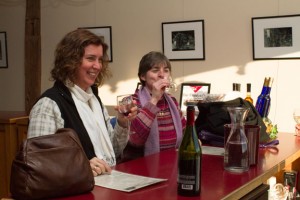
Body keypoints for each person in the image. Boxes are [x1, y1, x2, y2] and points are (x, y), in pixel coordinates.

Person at [27, 29, 137, 176]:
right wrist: (81, 166)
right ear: (70, 61)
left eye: (100, 60)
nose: (98, 66)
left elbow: (113, 151)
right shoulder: (48, 105)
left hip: (106, 184)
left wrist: (122, 123)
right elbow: (37, 163)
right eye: (91, 58)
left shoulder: (95, 99)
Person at [123, 51, 186, 161]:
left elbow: (185, 131)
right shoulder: (130, 102)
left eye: (166, 70)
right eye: (155, 70)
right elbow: (135, 140)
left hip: (172, 164)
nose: (162, 74)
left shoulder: (172, 100)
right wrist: (154, 99)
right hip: (141, 168)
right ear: (143, 76)